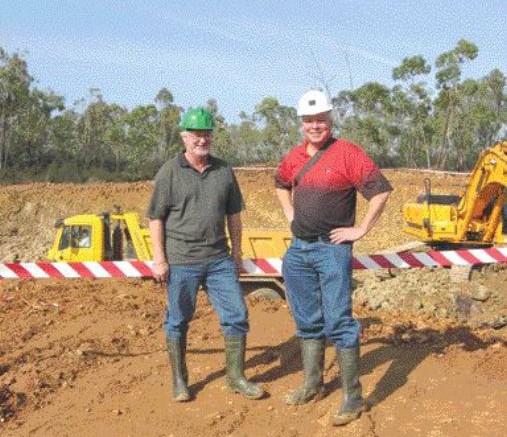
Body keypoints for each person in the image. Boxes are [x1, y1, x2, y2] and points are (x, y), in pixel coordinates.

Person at [275, 90, 392, 426]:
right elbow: (281, 184)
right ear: (301, 123)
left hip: (331, 249)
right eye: (310, 120)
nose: (315, 125)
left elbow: (380, 191)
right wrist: (290, 215)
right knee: (307, 321)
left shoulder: (347, 154)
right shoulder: (295, 156)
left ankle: (353, 398)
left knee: (339, 322)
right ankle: (313, 385)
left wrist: (360, 230)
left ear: (331, 120)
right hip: (298, 250)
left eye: (321, 119)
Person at [147, 107, 264, 402]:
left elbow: (234, 216)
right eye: (196, 134)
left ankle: (236, 377)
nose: (202, 139)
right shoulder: (169, 172)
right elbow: (156, 218)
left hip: (219, 261)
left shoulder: (224, 171)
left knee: (236, 315)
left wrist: (237, 253)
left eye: (207, 134)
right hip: (182, 261)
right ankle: (180, 382)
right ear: (184, 137)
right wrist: (159, 258)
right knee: (177, 320)